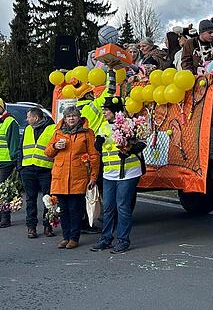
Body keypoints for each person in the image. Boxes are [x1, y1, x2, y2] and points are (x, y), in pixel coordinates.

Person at [91, 97, 144, 254]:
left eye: (106, 110)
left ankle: (123, 240)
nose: (104, 112)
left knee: (122, 206)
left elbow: (142, 143)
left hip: (128, 172)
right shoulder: (103, 126)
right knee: (108, 207)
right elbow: (103, 145)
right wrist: (98, 142)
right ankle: (106, 238)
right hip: (109, 172)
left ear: (115, 111)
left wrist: (129, 150)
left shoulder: (129, 124)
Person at [45, 106, 100, 249]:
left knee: (75, 209)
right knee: (63, 209)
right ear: (64, 118)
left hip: (78, 176)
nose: (71, 119)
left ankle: (74, 238)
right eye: (68, 116)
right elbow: (48, 152)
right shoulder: (58, 133)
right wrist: (56, 146)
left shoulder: (87, 133)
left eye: (74, 116)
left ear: (79, 118)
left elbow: (94, 156)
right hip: (60, 177)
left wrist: (93, 177)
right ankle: (66, 237)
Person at [20, 108, 57, 238]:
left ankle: (48, 226)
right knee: (30, 200)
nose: (27, 119)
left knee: (48, 200)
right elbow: (21, 148)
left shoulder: (52, 129)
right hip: (28, 169)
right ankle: (31, 227)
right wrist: (20, 167)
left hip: (45, 169)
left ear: (36, 118)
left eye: (28, 117)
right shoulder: (28, 129)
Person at [0, 98, 21, 229]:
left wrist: (15, 163)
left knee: (3, 191)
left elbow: (14, 145)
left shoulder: (10, 121)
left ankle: (5, 218)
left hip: (6, 162)